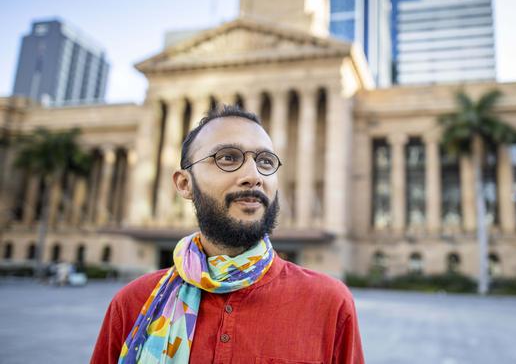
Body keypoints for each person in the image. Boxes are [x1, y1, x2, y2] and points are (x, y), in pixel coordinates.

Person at [90, 105, 364, 363]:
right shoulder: (132, 304)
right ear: (185, 184)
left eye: (266, 161)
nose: (253, 175)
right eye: (228, 158)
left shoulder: (329, 304)